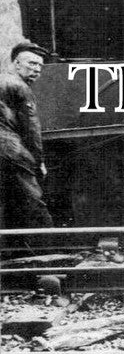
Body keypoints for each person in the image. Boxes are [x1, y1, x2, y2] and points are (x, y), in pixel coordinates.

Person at [1, 42, 53, 228]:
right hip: (9, 149)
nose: (37, 70)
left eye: (40, 66)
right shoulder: (20, 87)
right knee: (34, 202)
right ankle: (50, 250)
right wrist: (39, 161)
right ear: (16, 64)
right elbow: (31, 128)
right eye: (31, 64)